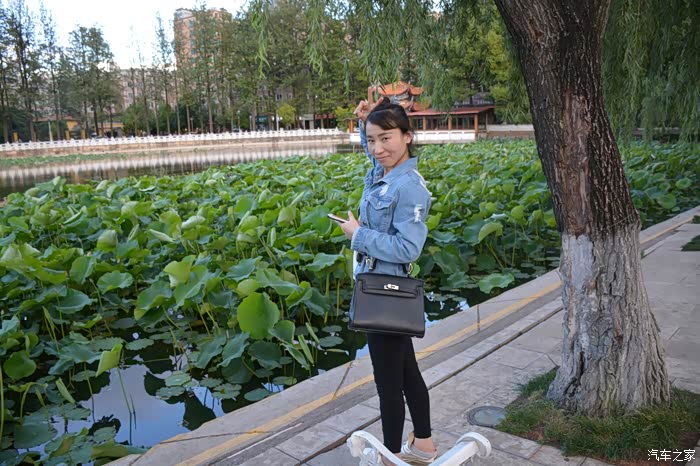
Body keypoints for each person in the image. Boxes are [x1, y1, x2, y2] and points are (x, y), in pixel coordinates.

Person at [338, 98, 437, 466]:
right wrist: (367, 122)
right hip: (378, 286)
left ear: (407, 137)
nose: (378, 149)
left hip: (385, 292)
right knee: (407, 374)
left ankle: (391, 456)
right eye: (371, 140)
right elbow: (375, 154)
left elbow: (408, 248)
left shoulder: (409, 186)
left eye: (386, 138)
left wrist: (358, 235)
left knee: (388, 384)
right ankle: (423, 445)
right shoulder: (384, 173)